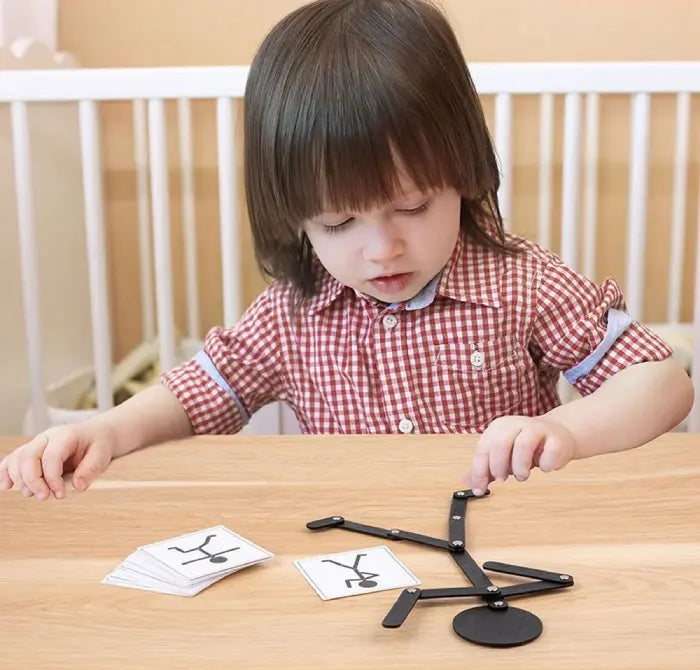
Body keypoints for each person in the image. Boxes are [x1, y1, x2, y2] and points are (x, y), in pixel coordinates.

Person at [0, 0, 693, 502]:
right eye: (337, 223)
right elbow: (199, 393)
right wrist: (109, 433)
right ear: (295, 217)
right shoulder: (290, 315)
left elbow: (662, 385)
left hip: (505, 540)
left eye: (415, 206)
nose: (381, 247)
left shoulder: (524, 283)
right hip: (351, 543)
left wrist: (561, 430)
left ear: (466, 170)